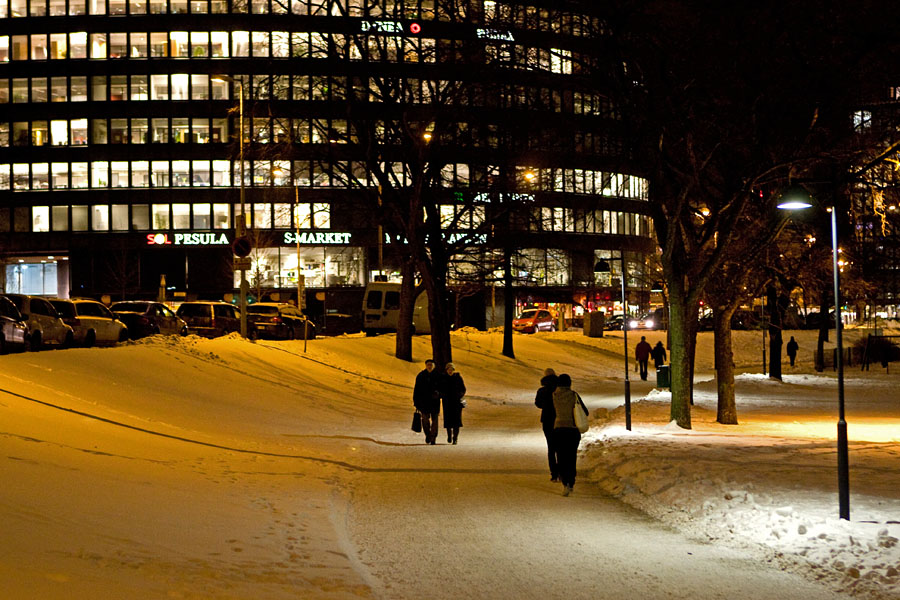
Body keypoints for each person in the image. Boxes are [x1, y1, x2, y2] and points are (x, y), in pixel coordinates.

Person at [552, 374, 588, 496]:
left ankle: (564, 482)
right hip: (572, 430)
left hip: (559, 430)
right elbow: (585, 411)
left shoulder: (554, 396)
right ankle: (571, 483)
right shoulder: (574, 396)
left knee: (561, 457)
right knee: (571, 457)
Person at [534, 368, 559, 481]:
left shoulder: (542, 391)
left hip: (547, 419)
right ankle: (562, 470)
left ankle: (554, 473)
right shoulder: (560, 390)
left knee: (551, 447)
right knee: (560, 446)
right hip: (560, 419)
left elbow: (538, 404)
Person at [413, 359, 440, 445]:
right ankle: (428, 435)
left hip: (435, 402)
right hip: (423, 402)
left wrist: (439, 394)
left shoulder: (438, 376)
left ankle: (433, 438)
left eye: (431, 364)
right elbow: (416, 390)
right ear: (425, 365)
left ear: (434, 366)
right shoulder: (421, 376)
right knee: (425, 420)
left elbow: (443, 388)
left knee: (435, 420)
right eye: (428, 364)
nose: (429, 366)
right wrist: (416, 402)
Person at [440, 362, 466, 445]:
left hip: (457, 402)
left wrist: (459, 395)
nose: (450, 371)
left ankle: (455, 438)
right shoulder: (443, 378)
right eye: (448, 369)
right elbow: (441, 389)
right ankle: (449, 435)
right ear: (446, 370)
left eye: (451, 369)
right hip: (447, 402)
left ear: (454, 370)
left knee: (457, 421)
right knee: (448, 420)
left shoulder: (458, 378)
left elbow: (463, 389)